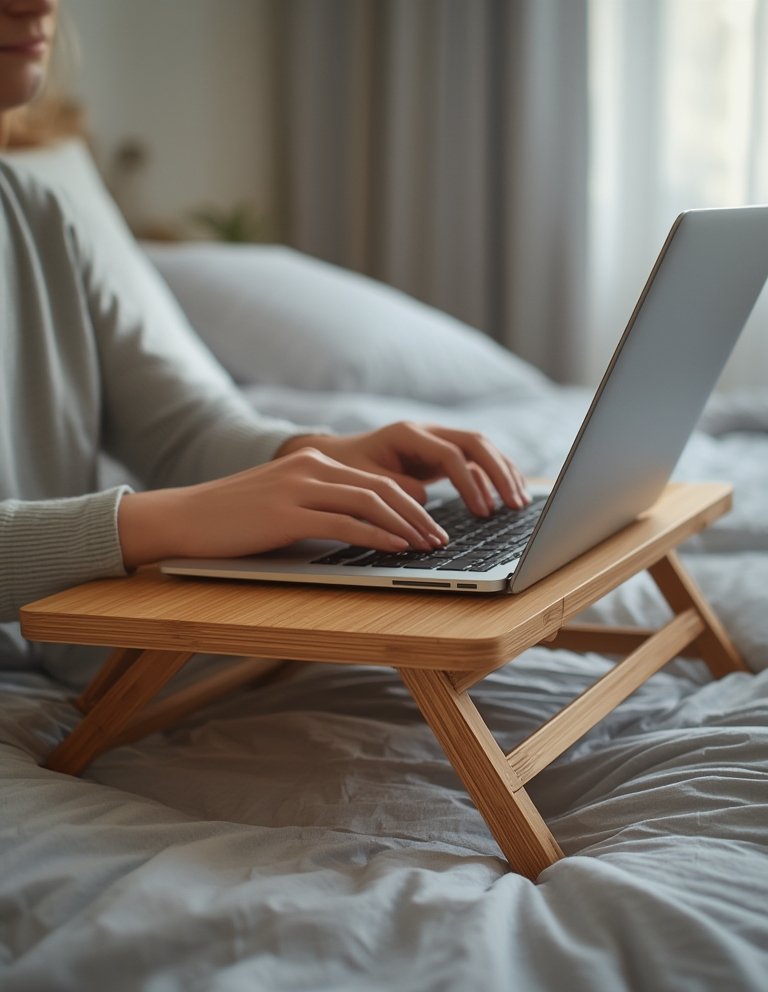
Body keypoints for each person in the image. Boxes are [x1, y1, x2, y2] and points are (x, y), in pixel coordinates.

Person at [0, 0, 529, 665]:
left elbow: (180, 429)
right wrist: (170, 520)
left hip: (62, 663)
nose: (38, 4)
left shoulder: (35, 210)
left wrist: (316, 456)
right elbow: (177, 496)